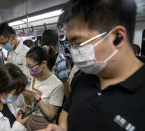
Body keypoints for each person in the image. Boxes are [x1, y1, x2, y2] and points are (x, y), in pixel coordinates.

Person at [40, 0, 145, 131]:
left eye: (78, 43)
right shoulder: (83, 76)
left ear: (117, 37)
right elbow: (66, 114)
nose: (73, 51)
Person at [24, 47, 64, 130]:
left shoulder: (57, 85)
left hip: (45, 126)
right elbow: (31, 105)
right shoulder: (35, 78)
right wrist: (25, 95)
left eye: (31, 66)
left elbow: (50, 116)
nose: (29, 70)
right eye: (27, 66)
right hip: (32, 121)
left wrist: (37, 97)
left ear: (43, 63)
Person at [41, 29, 69, 97]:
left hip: (41, 95)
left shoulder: (37, 55)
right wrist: (68, 99)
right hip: (55, 96)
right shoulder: (59, 57)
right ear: (56, 41)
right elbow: (64, 82)